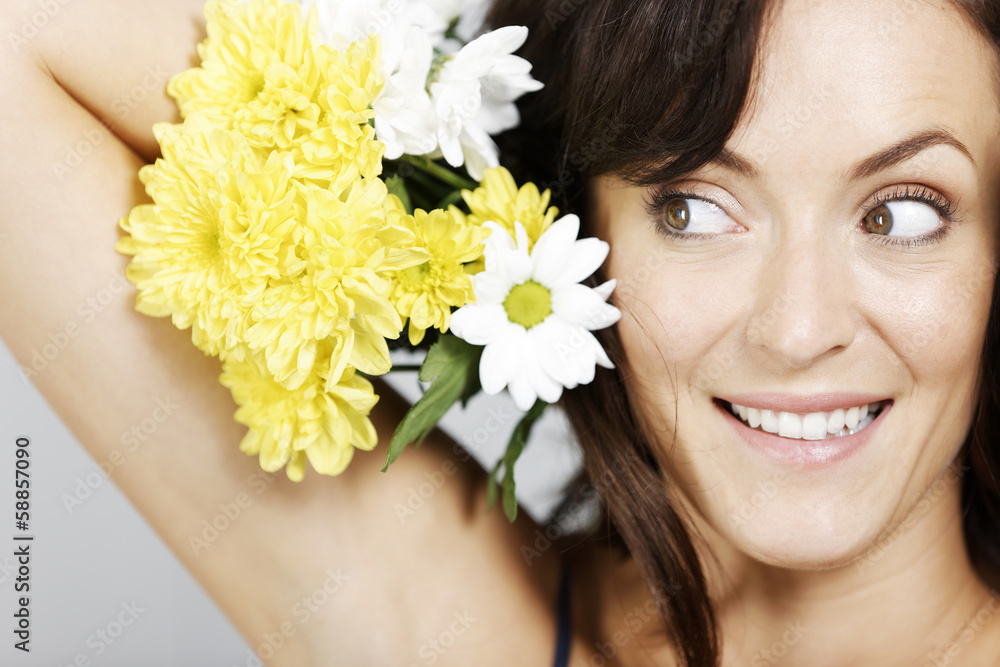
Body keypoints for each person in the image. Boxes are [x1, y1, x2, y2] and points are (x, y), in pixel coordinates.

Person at [1, 0, 999, 666]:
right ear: (584, 228)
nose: (797, 326)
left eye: (903, 214)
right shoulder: (470, 630)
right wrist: (478, 239)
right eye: (690, 208)